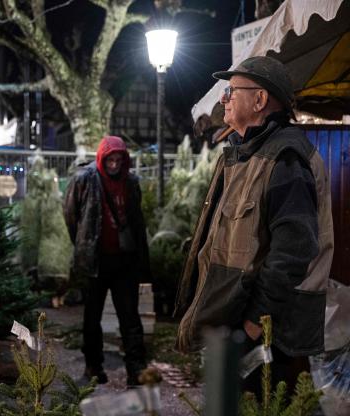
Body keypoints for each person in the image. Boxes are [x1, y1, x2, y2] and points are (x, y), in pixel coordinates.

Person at [174, 56, 334, 393]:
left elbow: (293, 251)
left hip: (265, 331)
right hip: (241, 318)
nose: (223, 99)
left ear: (259, 100)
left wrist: (253, 323)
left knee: (256, 408)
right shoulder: (245, 152)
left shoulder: (285, 158)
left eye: (231, 90)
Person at [64, 136, 151, 388]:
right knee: (92, 316)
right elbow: (71, 215)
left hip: (124, 261)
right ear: (101, 158)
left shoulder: (131, 182)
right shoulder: (85, 179)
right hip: (95, 261)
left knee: (130, 317)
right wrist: (83, 244)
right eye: (109, 159)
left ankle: (136, 369)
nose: (113, 164)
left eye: (118, 160)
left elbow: (136, 220)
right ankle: (93, 366)